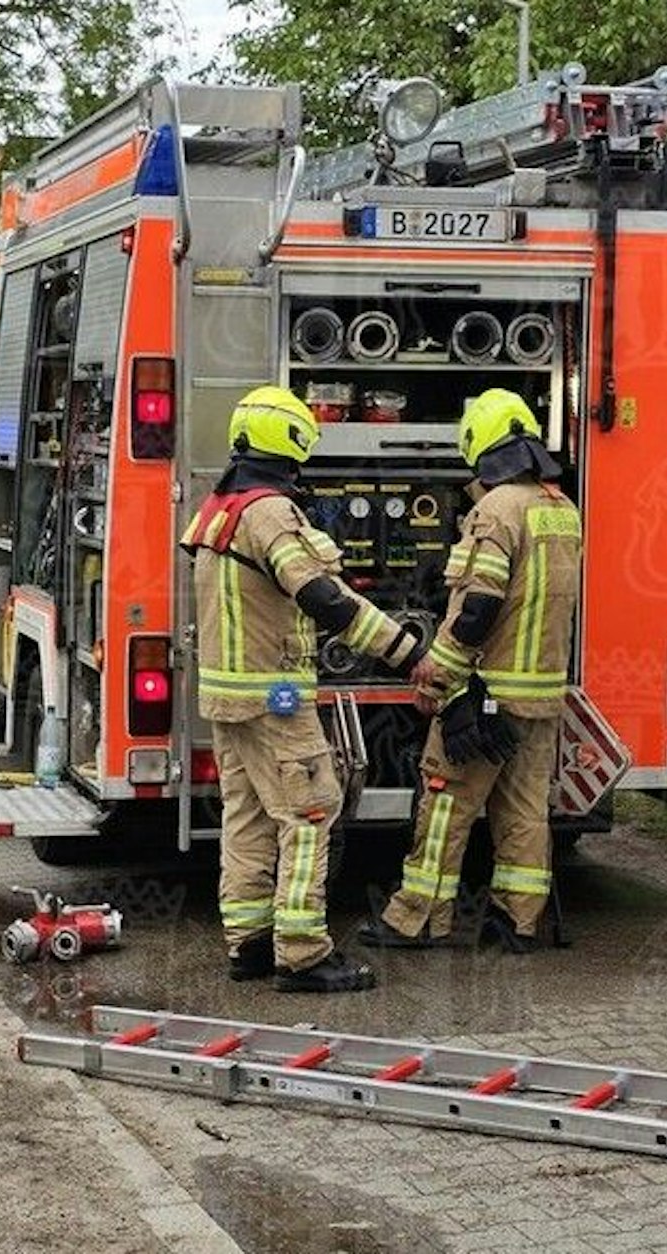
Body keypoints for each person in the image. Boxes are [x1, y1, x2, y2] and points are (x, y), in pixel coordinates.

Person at [181, 386, 425, 993]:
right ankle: (303, 953)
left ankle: (249, 944)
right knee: (312, 811)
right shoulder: (270, 513)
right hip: (276, 697)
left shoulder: (218, 507)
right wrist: (406, 653)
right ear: (292, 440)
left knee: (247, 819)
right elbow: (320, 595)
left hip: (228, 695)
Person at [356, 389, 582, 954]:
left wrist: (439, 676)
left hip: (485, 695)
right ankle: (516, 923)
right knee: (525, 812)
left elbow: (478, 607)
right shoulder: (562, 509)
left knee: (445, 804)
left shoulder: (496, 510)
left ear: (478, 445)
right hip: (541, 695)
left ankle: (415, 919)